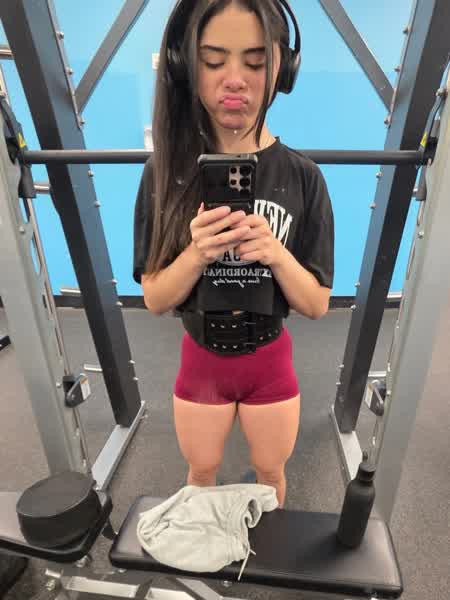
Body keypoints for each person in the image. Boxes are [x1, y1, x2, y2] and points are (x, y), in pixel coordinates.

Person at [133, 0, 334, 509]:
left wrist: (276, 254)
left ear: (282, 70)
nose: (235, 80)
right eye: (214, 60)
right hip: (202, 358)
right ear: (186, 66)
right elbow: (155, 298)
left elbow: (316, 304)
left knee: (270, 477)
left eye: (255, 61)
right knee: (200, 474)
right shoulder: (164, 174)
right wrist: (197, 254)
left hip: (270, 356)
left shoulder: (304, 177)